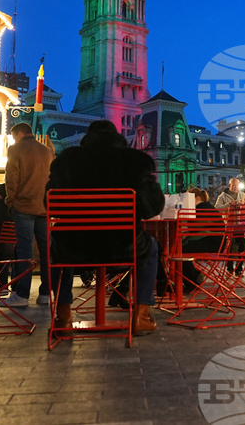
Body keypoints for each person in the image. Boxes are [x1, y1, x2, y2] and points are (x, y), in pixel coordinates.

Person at [47, 120, 165, 335]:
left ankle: (63, 317)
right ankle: (141, 316)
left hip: (74, 247)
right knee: (152, 247)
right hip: (123, 246)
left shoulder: (66, 161)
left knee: (56, 247)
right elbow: (152, 208)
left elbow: (50, 204)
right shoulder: (137, 162)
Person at [4, 122, 54, 308]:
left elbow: (12, 177)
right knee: (46, 251)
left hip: (24, 206)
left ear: (17, 134)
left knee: (25, 251)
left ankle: (22, 294)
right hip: (44, 206)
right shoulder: (48, 151)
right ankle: (45, 293)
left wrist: (11, 200)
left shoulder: (16, 149)